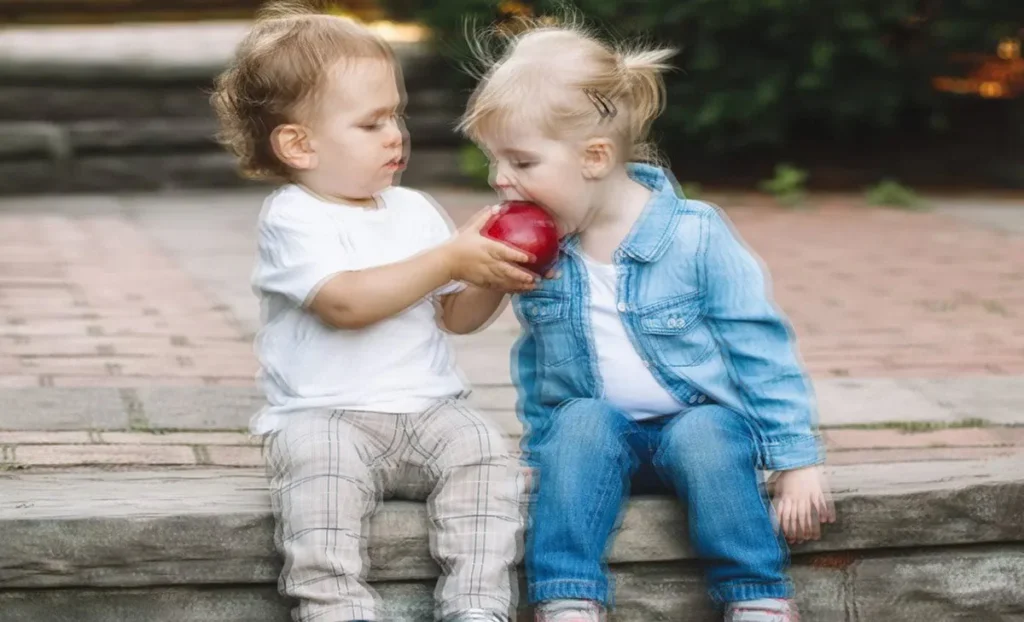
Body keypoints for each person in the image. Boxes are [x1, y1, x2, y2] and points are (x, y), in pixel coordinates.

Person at [458, 17, 835, 622]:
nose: (500, 179)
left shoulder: (694, 234)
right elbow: (537, 359)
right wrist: (542, 450)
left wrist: (797, 461)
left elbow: (759, 347)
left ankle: (756, 593)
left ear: (595, 156)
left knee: (708, 432)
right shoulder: (544, 247)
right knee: (579, 422)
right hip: (601, 440)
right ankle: (568, 596)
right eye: (494, 160)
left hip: (697, 430)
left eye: (521, 161)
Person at [210, 4, 535, 620]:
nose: (396, 135)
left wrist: (492, 273)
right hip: (327, 416)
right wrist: (448, 260)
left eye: (397, 116)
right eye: (371, 123)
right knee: (319, 475)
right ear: (299, 144)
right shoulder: (294, 215)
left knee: (488, 453)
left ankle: (477, 602)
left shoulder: (412, 209)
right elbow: (345, 303)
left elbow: (457, 318)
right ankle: (336, 604)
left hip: (430, 409)